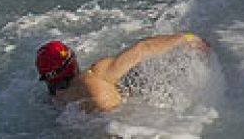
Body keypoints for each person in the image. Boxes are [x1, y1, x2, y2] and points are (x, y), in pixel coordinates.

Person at [35, 32, 210, 113]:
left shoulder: (55, 102)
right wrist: (185, 38)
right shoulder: (96, 74)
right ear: (72, 62)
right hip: (127, 128)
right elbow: (142, 49)